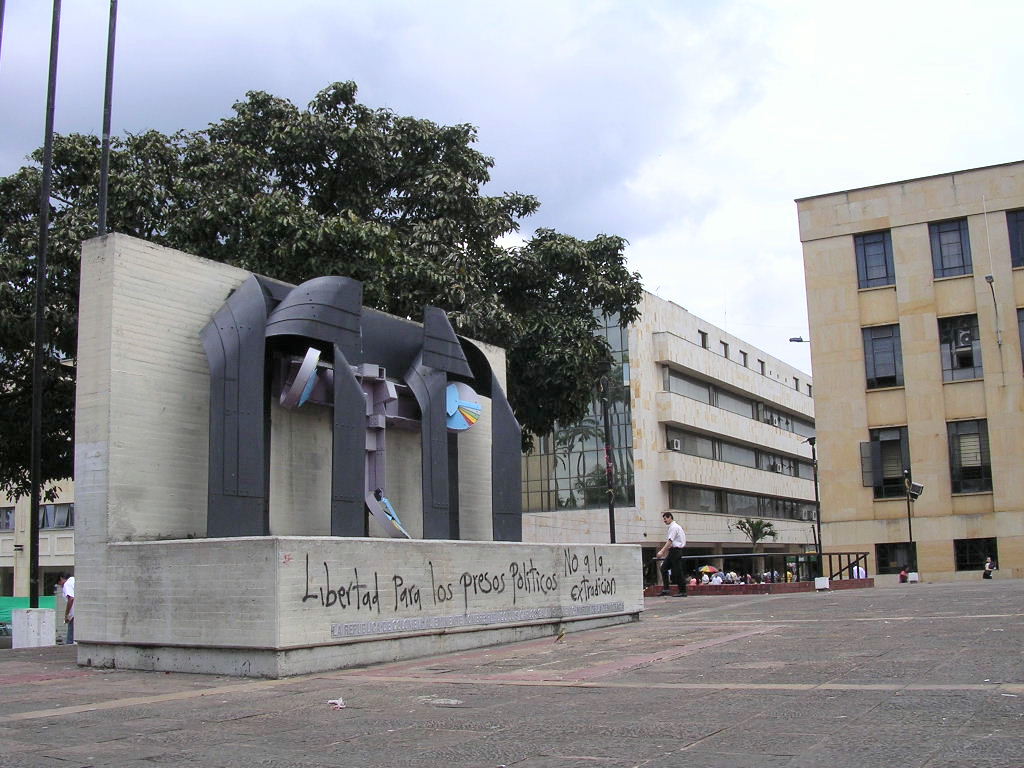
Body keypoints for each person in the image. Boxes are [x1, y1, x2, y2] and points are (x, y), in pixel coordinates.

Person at [656, 512, 687, 596]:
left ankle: (683, 591)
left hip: (676, 551)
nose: (664, 520)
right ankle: (666, 589)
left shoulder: (674, 527)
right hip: (673, 551)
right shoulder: (675, 527)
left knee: (677, 571)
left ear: (670, 517)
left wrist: (662, 551)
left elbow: (670, 540)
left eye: (665, 518)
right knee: (664, 568)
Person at [57, 572, 75, 644]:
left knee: (70, 640)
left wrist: (66, 615)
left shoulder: (67, 584)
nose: (61, 586)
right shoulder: (74, 580)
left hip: (74, 615)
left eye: (59, 583)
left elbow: (71, 598)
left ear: (61, 579)